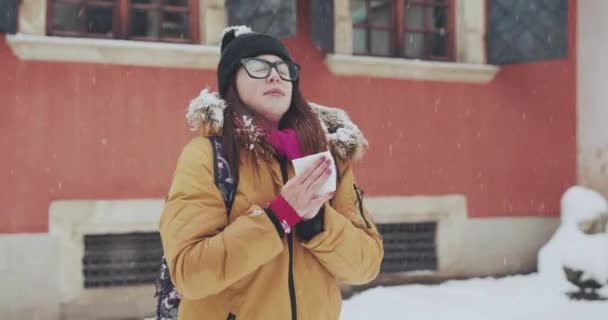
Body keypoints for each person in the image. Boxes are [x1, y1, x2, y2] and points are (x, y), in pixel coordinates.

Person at [159, 25, 384, 320]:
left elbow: (365, 265)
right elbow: (190, 272)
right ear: (232, 82)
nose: (275, 75)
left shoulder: (325, 156)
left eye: (283, 67)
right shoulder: (207, 157)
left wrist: (317, 222)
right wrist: (278, 217)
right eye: (257, 67)